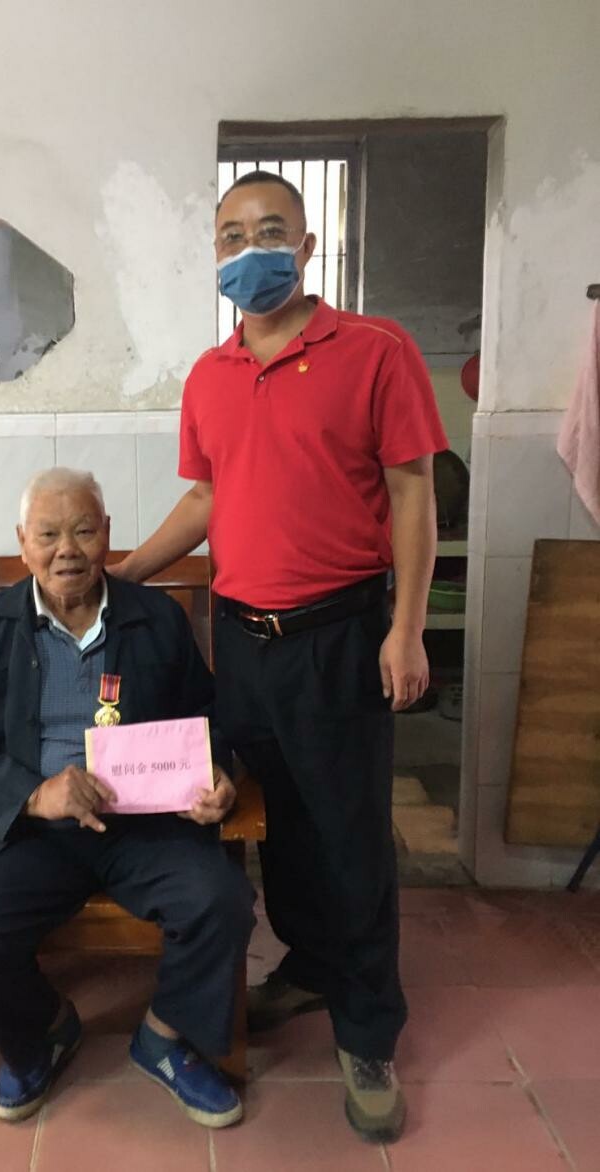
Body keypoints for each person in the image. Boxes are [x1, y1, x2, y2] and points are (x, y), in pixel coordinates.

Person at [111, 171, 448, 1143]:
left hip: (340, 637)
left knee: (350, 838)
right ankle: (308, 965)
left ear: (304, 248)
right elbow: (208, 498)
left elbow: (411, 491)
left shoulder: (374, 350)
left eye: (269, 231)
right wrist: (125, 574)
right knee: (276, 824)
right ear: (215, 255)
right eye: (230, 235)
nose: (248, 248)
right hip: (242, 641)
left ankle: (368, 1030)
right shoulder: (209, 375)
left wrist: (406, 627)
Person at [0, 468, 254, 1128]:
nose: (66, 550)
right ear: (23, 541)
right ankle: (44, 1031)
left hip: (145, 826)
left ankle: (165, 1038)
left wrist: (218, 773)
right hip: (29, 835)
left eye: (82, 531)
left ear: (106, 534)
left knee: (221, 903)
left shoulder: (156, 619)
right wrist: (34, 794)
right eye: (48, 535)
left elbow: (208, 717)